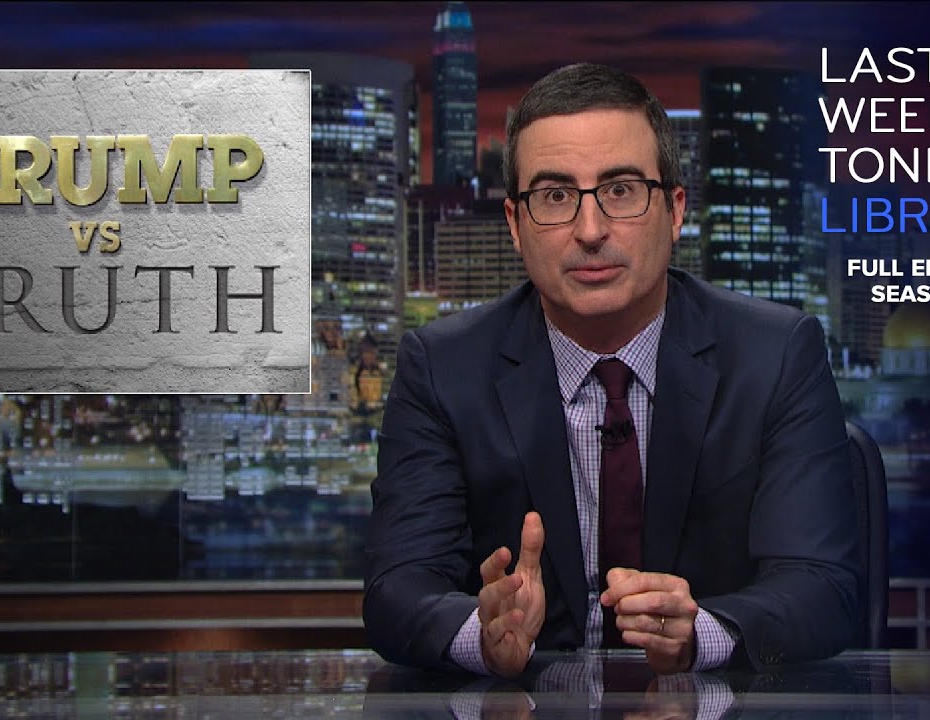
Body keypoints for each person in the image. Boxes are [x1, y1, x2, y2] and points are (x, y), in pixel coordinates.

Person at [364, 63, 861, 678]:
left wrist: (700, 634)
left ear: (674, 210)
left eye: (621, 190)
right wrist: (481, 634)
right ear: (515, 225)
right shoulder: (442, 368)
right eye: (555, 197)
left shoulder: (777, 355)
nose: (591, 230)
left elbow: (822, 586)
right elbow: (396, 590)